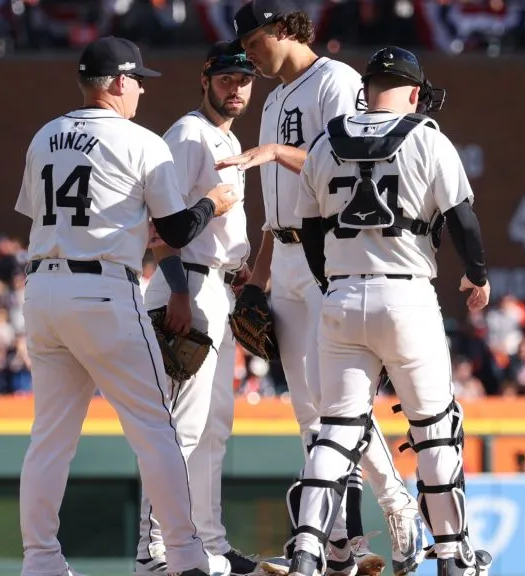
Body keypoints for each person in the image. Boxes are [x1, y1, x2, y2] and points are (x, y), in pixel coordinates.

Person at [14, 36, 238, 576]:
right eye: (137, 79)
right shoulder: (141, 141)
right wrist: (214, 201)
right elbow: (177, 229)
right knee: (156, 427)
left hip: (43, 292)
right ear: (117, 81)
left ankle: (41, 560)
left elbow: (38, 213)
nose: (140, 89)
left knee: (50, 437)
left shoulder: (45, 135)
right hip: (102, 291)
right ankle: (185, 555)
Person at [216, 2, 425, 575]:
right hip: (282, 258)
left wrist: (278, 153)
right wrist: (256, 279)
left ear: (285, 28)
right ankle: (341, 541)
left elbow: (360, 165)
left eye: (256, 39)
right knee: (310, 412)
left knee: (338, 408)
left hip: (325, 253)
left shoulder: (335, 81)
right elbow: (273, 209)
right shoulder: (277, 96)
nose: (250, 52)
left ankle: (397, 505)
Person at [291, 45, 493, 576]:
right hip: (406, 296)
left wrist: (330, 280)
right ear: (411, 90)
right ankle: (453, 554)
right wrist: (478, 273)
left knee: (336, 429)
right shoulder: (426, 137)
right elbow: (464, 222)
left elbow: (310, 230)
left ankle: (308, 548)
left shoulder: (325, 140)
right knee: (434, 428)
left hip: (340, 296)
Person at [134, 41, 260, 576]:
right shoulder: (188, 135)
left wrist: (242, 264)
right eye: (228, 77)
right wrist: (180, 290)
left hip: (218, 286)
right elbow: (161, 225)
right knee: (178, 427)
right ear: (205, 79)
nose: (236, 87)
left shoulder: (226, 138)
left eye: (245, 79)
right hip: (184, 285)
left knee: (213, 427)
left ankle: (208, 541)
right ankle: (155, 549)